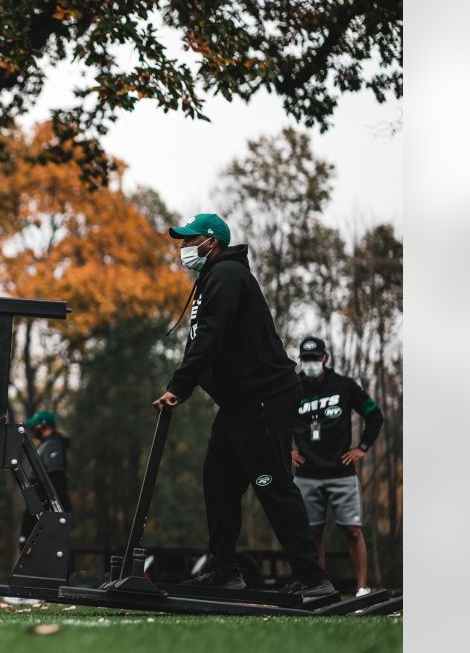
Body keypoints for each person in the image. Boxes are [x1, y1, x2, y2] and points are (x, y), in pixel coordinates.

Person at [152, 213, 333, 596]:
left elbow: (212, 338)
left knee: (271, 483)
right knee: (217, 481)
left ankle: (313, 579)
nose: (184, 248)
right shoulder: (209, 282)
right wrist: (190, 382)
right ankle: (223, 568)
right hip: (237, 405)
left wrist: (178, 387)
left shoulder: (228, 276)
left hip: (265, 399)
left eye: (190, 240)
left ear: (211, 242)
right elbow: (202, 343)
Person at [291, 336, 384, 596]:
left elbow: (374, 415)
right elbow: (271, 420)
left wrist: (362, 448)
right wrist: (287, 451)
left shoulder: (344, 386)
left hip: (341, 473)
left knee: (353, 531)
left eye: (315, 358)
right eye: (306, 359)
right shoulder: (292, 388)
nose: (311, 364)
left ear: (325, 358)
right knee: (312, 536)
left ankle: (362, 588)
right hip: (307, 475)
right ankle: (320, 590)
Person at [17, 410, 70, 547]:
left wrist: (54, 513)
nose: (34, 429)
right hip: (38, 508)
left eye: (36, 425)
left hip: (45, 511)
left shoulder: (52, 445)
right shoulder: (45, 445)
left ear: (44, 425)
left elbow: (56, 479)